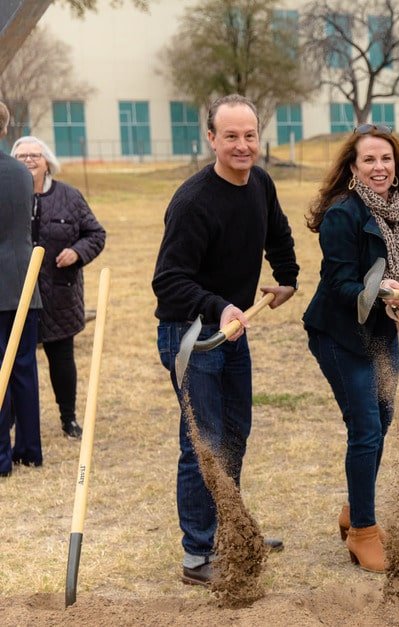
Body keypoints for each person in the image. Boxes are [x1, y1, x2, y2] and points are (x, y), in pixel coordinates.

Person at [151, 94, 298, 585]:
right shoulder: (193, 202)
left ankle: (230, 530)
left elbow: (277, 231)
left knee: (235, 434)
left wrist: (288, 275)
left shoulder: (259, 182)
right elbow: (168, 280)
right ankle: (198, 556)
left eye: (250, 135)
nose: (242, 145)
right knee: (203, 444)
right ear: (210, 138)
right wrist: (218, 306)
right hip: (190, 333)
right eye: (230, 135)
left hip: (231, 329)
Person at [303, 124, 399, 572]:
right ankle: (363, 532)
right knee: (366, 428)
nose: (379, 167)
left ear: (396, 166)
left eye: (386, 159)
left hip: (381, 331)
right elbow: (339, 284)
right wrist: (380, 290)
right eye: (369, 160)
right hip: (338, 334)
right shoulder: (343, 214)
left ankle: (354, 509)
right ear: (353, 169)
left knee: (382, 419)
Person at [11, 136, 106, 440]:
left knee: (61, 361)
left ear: (47, 161)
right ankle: (12, 420)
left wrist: (78, 252)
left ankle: (69, 418)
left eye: (34, 155)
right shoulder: (8, 195)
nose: (28, 160)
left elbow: (95, 233)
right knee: (13, 361)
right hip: (17, 294)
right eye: (22, 155)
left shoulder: (69, 196)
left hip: (60, 294)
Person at [0, 102, 42, 477]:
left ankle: (1, 456)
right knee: (24, 366)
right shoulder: (21, 173)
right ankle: (30, 449)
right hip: (23, 282)